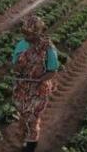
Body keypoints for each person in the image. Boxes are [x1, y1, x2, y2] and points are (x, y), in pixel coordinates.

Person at [11, 14, 59, 152]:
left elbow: (52, 70)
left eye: (30, 34)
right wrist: (17, 69)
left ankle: (30, 146)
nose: (27, 37)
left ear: (38, 33)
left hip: (39, 89)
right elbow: (14, 65)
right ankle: (24, 139)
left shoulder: (48, 48)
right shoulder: (21, 44)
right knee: (23, 116)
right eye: (25, 34)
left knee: (33, 118)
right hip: (22, 87)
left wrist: (40, 79)